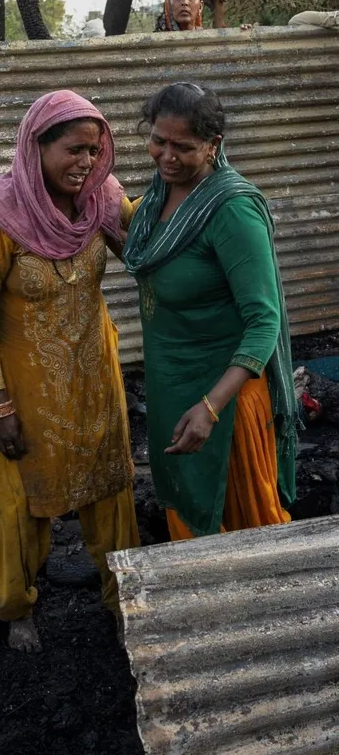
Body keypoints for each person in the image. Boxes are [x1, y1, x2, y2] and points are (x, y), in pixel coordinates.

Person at [0, 90, 140, 651]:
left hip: (94, 379)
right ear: (35, 147)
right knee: (21, 504)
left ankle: (124, 600)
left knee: (111, 491)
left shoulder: (101, 198)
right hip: (24, 395)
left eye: (95, 150)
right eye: (73, 150)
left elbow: (146, 248)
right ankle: (17, 607)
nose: (86, 163)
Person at [123, 83, 296, 541]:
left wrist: (211, 407)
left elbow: (265, 321)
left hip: (225, 399)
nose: (167, 155)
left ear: (213, 145)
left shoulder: (231, 210)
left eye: (183, 146)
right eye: (159, 140)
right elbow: (142, 251)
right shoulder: (158, 199)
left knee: (248, 532)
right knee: (189, 515)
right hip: (173, 385)